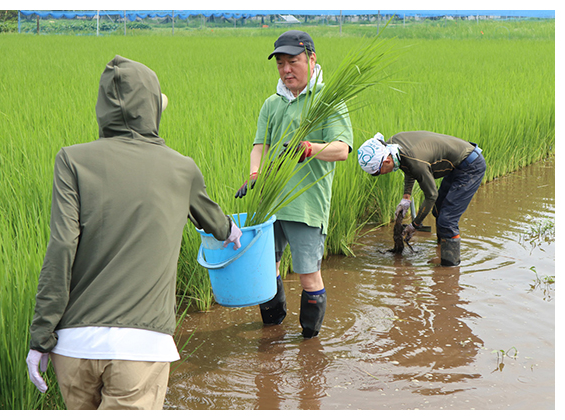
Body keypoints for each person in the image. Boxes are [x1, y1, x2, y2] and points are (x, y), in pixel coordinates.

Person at [25, 55, 242, 410]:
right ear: (153, 108)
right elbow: (216, 223)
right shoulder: (181, 168)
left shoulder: (71, 160)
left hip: (73, 347)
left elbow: (62, 246)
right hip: (140, 349)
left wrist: (40, 337)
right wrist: (230, 230)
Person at [235, 30, 353, 338]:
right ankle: (272, 336)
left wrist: (310, 148)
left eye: (294, 61)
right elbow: (259, 145)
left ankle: (309, 343)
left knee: (307, 275)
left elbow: (342, 149)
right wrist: (255, 175)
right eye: (281, 64)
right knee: (266, 271)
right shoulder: (272, 104)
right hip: (271, 205)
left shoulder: (327, 101)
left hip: (306, 205)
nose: (286, 69)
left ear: (312, 59)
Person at [356, 131, 486, 266]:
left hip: (471, 166)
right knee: (438, 211)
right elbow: (408, 166)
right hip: (459, 164)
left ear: (386, 161)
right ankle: (442, 253)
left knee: (447, 220)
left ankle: (450, 268)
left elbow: (431, 195)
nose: (380, 174)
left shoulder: (412, 159)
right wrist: (406, 198)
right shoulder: (391, 146)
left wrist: (415, 224)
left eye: (378, 172)